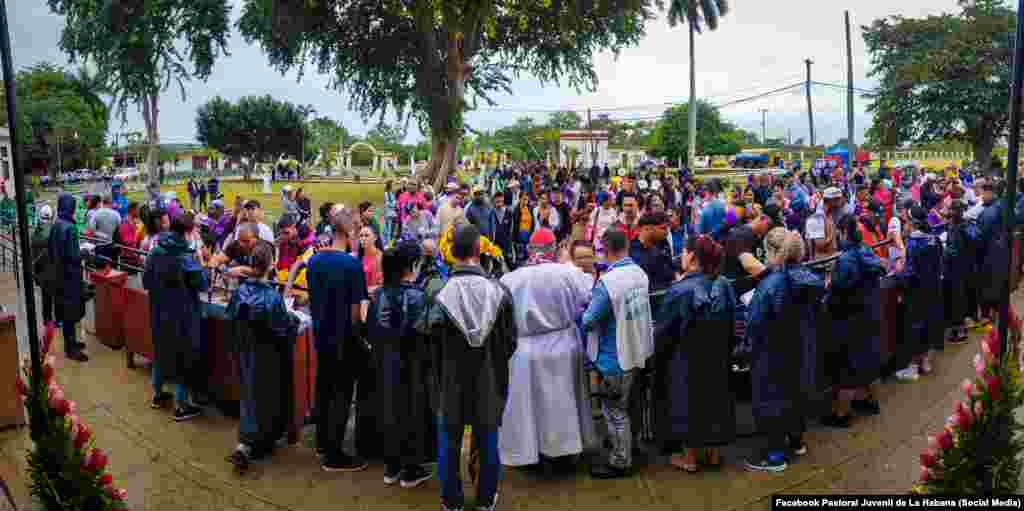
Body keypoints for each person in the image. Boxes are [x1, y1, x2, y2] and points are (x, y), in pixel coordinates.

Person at [417, 224, 517, 511]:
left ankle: (452, 500)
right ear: (478, 251)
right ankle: (486, 500)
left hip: (449, 378)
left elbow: (426, 340)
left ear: (451, 252)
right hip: (488, 376)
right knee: (488, 440)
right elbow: (511, 341)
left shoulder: (438, 291)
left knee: (448, 441)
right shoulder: (500, 291)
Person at [498, 228, 595, 473]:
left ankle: (532, 453)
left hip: (526, 349)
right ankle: (564, 453)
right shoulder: (568, 274)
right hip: (562, 345)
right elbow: (587, 297)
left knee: (530, 407)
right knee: (562, 404)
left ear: (529, 250)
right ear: (554, 249)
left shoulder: (511, 279)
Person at [653, 235, 735, 473]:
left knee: (687, 401)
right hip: (718, 354)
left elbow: (664, 332)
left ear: (691, 256)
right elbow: (733, 323)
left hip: (686, 358)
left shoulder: (679, 290)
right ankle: (713, 454)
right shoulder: (725, 284)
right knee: (717, 398)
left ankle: (689, 458)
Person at [745, 228, 824, 472]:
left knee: (772, 401)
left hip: (773, 353)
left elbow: (755, 323)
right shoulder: (809, 277)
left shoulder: (770, 285)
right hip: (802, 348)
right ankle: (797, 441)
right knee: (796, 395)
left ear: (771, 252)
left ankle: (774, 457)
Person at [580, 228, 654, 479]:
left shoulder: (608, 282)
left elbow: (589, 320)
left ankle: (620, 460)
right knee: (629, 405)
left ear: (606, 249)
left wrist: (581, 309)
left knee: (614, 411)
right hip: (637, 350)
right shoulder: (639, 273)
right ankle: (629, 446)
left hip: (614, 356)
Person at [225, 242, 300, 471]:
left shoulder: (241, 291)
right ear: (271, 264)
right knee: (264, 397)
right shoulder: (271, 297)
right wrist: (294, 321)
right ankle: (254, 443)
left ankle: (248, 443)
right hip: (266, 355)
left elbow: (232, 318)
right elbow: (283, 326)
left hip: (246, 351)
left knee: (250, 395)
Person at [307, 209, 370, 471]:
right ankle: (334, 454)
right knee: (341, 394)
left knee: (324, 388)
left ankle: (322, 442)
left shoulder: (314, 262)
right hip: (344, 336)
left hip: (321, 333)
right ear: (349, 233)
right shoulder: (351, 264)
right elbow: (357, 310)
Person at [368, 241, 435, 488]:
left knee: (390, 411)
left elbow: (372, 330)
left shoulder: (381, 294)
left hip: (387, 362)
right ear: (413, 265)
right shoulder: (419, 296)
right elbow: (427, 334)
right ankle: (410, 468)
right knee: (413, 413)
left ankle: (393, 465)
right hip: (413, 365)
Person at [143, 212, 209, 420]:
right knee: (184, 358)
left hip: (159, 312)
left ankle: (158, 394)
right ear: (189, 233)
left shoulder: (155, 251)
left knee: (161, 352)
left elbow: (146, 282)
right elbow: (202, 284)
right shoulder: (185, 258)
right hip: (183, 316)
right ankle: (181, 405)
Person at [823, 215, 886, 428]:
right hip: (870, 314)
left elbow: (836, 292)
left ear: (842, 233)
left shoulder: (846, 259)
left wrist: (829, 283)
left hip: (850, 319)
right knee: (869, 361)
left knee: (847, 368)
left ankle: (842, 414)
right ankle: (872, 401)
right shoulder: (867, 251)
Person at [48, 194, 89, 362]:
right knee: (71, 312)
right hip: (71, 277)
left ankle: (71, 342)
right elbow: (73, 255)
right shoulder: (70, 228)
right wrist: (85, 252)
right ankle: (70, 349)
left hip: (59, 274)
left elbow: (51, 249)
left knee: (66, 312)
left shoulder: (56, 224)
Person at [943, 200, 977, 345]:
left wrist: (943, 250)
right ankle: (966, 323)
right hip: (968, 267)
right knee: (965, 296)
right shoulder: (967, 224)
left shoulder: (956, 228)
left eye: (951, 210)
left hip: (956, 269)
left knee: (957, 300)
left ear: (955, 212)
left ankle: (959, 331)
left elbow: (953, 251)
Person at [629, 212, 676, 293]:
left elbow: (670, 270)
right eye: (662, 228)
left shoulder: (663, 244)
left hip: (665, 290)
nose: (666, 232)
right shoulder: (632, 248)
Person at [32, 205, 56, 326]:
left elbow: (33, 254)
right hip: (53, 268)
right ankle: (57, 320)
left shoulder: (36, 232)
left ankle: (47, 320)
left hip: (41, 270)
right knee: (57, 295)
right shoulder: (54, 230)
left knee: (45, 297)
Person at [358, 226, 384, 294]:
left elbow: (383, 285)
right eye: (361, 236)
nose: (363, 238)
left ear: (375, 237)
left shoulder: (381, 257)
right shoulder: (358, 258)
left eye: (367, 235)